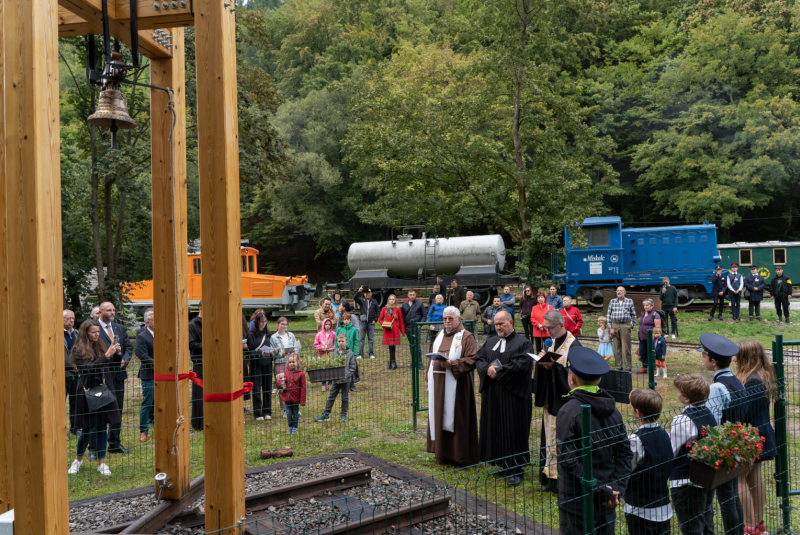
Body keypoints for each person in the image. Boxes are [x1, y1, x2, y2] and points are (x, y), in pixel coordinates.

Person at [556, 346, 632, 535]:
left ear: (571, 378)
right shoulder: (613, 410)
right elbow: (625, 453)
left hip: (577, 500)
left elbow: (568, 459)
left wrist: (601, 490)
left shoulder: (569, 411)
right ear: (599, 379)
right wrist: (615, 488)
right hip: (607, 497)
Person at [475, 311, 534, 487]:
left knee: (513, 429)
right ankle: (502, 463)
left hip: (513, 396)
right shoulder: (491, 341)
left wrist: (498, 372)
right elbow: (479, 358)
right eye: (496, 324)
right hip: (493, 395)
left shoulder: (524, 344)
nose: (498, 327)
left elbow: (522, 365)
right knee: (497, 427)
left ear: (511, 322)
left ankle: (516, 469)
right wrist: (487, 369)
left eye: (501, 324)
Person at [700, 332, 745, 535]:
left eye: (704, 355)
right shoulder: (737, 381)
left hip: (723, 448)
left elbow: (713, 423)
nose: (703, 359)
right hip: (736, 443)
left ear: (713, 361)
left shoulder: (717, 387)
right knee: (732, 495)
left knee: (726, 498)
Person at [533, 310, 581, 492]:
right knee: (548, 438)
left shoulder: (574, 345)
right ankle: (548, 476)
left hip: (564, 401)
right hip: (551, 399)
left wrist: (554, 367)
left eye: (550, 328)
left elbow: (574, 377)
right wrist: (543, 362)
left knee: (560, 438)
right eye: (545, 328)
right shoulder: (551, 342)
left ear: (561, 325)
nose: (548, 332)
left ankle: (560, 480)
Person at [424, 306, 478, 466]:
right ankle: (442, 452)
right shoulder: (440, 334)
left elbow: (473, 359)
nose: (447, 321)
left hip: (457, 385)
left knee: (457, 418)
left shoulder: (466, 337)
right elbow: (431, 359)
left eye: (451, 318)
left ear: (459, 319)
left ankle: (459, 455)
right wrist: (428, 380)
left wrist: (452, 364)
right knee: (438, 415)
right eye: (445, 318)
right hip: (438, 384)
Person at [67, 320, 122, 477]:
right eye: (93, 332)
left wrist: (117, 354)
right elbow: (88, 369)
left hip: (105, 389)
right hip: (87, 390)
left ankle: (102, 463)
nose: (97, 334)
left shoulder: (101, 345)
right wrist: (107, 355)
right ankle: (78, 460)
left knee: (102, 427)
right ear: (85, 333)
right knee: (88, 428)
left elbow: (114, 365)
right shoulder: (77, 350)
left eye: (98, 331)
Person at [734, 340, 778, 535]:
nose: (733, 358)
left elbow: (746, 411)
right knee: (754, 478)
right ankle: (758, 525)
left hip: (750, 437)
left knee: (740, 480)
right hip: (759, 434)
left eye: (737, 355)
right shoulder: (762, 376)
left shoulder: (751, 381)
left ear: (746, 357)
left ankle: (750, 528)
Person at [669, 373, 717, 535]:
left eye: (679, 391)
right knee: (706, 520)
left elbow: (673, 450)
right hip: (707, 478)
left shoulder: (682, 420)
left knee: (691, 526)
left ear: (687, 398)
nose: (677, 394)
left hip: (686, 481)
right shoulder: (709, 414)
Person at [624, 389, 674, 535]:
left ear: (637, 412)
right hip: (662, 505)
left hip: (640, 509)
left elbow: (627, 470)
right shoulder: (665, 434)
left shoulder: (635, 440)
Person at [97, 302, 132, 454]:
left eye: (113, 310)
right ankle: (96, 446)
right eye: (108, 310)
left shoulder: (119, 328)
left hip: (118, 375)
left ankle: (114, 443)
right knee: (101, 410)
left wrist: (125, 359)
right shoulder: (93, 328)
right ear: (100, 312)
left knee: (117, 409)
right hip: (102, 376)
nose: (112, 312)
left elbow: (129, 347)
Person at [315, 333, 358, 423]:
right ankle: (326, 414)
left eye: (342, 341)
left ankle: (343, 414)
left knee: (345, 397)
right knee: (331, 396)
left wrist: (346, 375)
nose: (341, 343)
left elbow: (353, 367)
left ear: (346, 342)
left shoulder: (350, 353)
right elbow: (331, 365)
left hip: (346, 380)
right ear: (337, 342)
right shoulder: (334, 353)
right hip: (336, 380)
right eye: (339, 341)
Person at [248, 311, 276, 421]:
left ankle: (267, 411)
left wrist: (274, 351)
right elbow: (249, 351)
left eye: (265, 322)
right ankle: (257, 412)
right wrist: (261, 353)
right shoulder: (251, 334)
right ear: (257, 322)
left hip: (267, 362)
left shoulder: (268, 333)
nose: (263, 324)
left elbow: (270, 346)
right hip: (256, 363)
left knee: (267, 387)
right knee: (256, 388)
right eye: (261, 322)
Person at [134, 310, 155, 442]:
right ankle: (144, 430)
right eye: (154, 319)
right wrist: (159, 364)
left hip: (164, 374)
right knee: (147, 402)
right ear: (147, 322)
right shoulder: (142, 336)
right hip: (149, 374)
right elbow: (142, 355)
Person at [607, 287, 636, 371]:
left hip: (625, 325)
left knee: (626, 347)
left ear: (625, 292)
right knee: (617, 347)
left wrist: (631, 325)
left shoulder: (629, 301)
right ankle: (618, 365)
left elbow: (634, 315)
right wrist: (610, 327)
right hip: (614, 325)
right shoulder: (612, 301)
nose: (619, 292)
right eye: (618, 291)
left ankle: (627, 366)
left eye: (621, 290)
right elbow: (608, 315)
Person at [280, 355, 306, 434]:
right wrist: (280, 385)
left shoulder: (301, 374)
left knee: (295, 412)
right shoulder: (285, 372)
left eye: (293, 362)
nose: (292, 364)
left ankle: (295, 427)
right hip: (287, 398)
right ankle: (290, 426)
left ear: (298, 362)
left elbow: (303, 388)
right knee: (288, 413)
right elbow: (280, 382)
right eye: (290, 362)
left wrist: (302, 401)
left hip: (296, 398)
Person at [378, 294, 405, 370]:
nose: (392, 301)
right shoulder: (384, 309)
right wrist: (384, 324)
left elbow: (401, 321)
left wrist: (402, 331)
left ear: (395, 300)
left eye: (393, 299)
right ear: (388, 300)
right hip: (388, 330)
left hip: (395, 330)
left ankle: (393, 362)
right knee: (390, 347)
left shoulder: (398, 309)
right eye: (390, 299)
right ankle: (391, 362)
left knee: (393, 347)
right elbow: (380, 319)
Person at [189, 302, 204, 431]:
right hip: (199, 362)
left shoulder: (212, 322)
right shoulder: (193, 325)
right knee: (199, 393)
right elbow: (191, 344)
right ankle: (199, 421)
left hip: (212, 362)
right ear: (200, 307)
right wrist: (207, 344)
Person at [636, 299, 662, 374]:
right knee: (642, 352)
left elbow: (657, 327)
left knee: (652, 353)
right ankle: (644, 367)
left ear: (652, 306)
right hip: (642, 337)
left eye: (647, 305)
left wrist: (654, 336)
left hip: (651, 337)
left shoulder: (655, 314)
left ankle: (655, 368)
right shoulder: (643, 313)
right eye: (644, 305)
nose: (645, 307)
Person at [64, 309, 79, 435]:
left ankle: (74, 428)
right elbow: (62, 356)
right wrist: (72, 366)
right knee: (61, 402)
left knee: (75, 401)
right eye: (68, 318)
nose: (71, 321)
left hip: (76, 374)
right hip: (63, 374)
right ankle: (61, 429)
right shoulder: (58, 334)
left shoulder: (76, 334)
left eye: (73, 318)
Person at [336, 312, 360, 390]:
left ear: (350, 320)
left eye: (348, 319)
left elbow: (356, 341)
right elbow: (336, 340)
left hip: (350, 351)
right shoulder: (339, 329)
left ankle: (351, 385)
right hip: (340, 351)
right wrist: (335, 351)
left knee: (350, 368)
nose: (346, 321)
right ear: (342, 320)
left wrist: (355, 352)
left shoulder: (354, 330)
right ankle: (341, 386)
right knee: (341, 368)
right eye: (344, 319)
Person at [354, 286, 380, 359]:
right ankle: (360, 354)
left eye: (369, 293)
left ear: (371, 293)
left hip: (371, 323)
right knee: (361, 339)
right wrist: (358, 291)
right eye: (366, 293)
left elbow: (378, 311)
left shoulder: (374, 301)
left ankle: (371, 354)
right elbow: (355, 298)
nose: (368, 294)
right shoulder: (361, 300)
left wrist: (375, 319)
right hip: (362, 322)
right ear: (364, 294)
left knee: (371, 339)